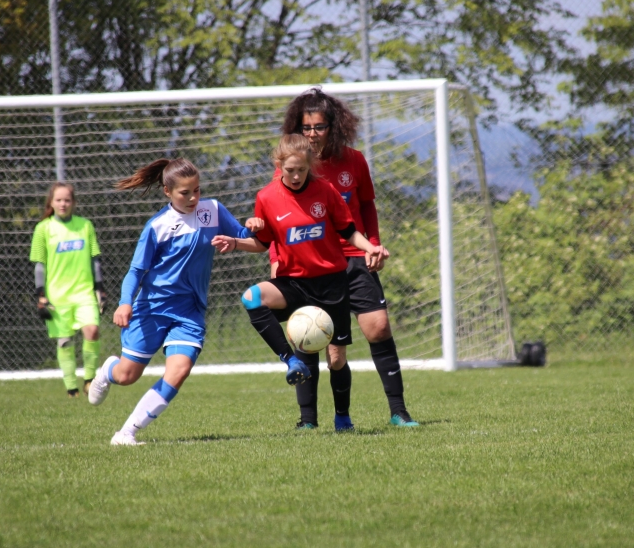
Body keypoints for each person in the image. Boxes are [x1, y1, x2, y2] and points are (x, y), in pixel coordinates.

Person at [86, 157, 266, 446]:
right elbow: (136, 271)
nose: (194, 197)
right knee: (127, 375)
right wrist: (124, 302)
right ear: (167, 192)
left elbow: (243, 236)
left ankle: (126, 433)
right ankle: (109, 370)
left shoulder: (213, 210)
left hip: (189, 311)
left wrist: (253, 226)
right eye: (185, 193)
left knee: (179, 371)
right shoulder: (157, 226)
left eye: (197, 190)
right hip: (152, 309)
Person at [272, 88, 419, 427]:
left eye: (319, 127)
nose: (312, 134)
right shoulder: (291, 166)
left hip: (353, 258)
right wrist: (277, 259)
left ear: (334, 127)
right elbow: (278, 219)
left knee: (378, 327)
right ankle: (308, 419)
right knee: (310, 337)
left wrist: (373, 245)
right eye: (306, 127)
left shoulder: (354, 160)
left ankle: (398, 411)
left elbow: (367, 205)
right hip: (311, 262)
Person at [242, 132, 384, 431]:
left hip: (331, 283)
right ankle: (293, 374)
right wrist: (235, 242)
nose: (296, 176)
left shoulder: (326, 191)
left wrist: (370, 247)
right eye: (290, 170)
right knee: (253, 298)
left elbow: (348, 231)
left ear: (310, 166)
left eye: (302, 170)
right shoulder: (266, 197)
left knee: (336, 358)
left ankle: (343, 418)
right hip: (294, 283)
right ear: (278, 165)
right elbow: (262, 242)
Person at [29, 182, 106, 398]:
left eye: (67, 200)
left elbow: (95, 259)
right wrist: (41, 295)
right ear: (51, 203)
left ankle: (89, 380)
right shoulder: (43, 229)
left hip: (84, 292)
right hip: (57, 296)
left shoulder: (85, 226)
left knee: (92, 330)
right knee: (65, 342)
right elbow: (40, 265)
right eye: (59, 200)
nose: (63, 204)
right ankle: (72, 387)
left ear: (74, 203)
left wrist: (100, 288)